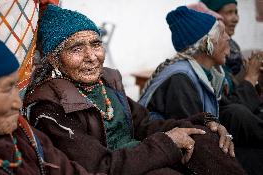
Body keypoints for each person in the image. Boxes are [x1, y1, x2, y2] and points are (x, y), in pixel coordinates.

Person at [23, 5, 246, 175]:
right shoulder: (49, 109)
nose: (92, 57)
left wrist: (201, 124)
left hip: (139, 156)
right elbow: (100, 166)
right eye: (76, 48)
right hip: (119, 167)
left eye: (96, 44)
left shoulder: (106, 84)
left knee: (206, 139)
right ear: (54, 59)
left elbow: (144, 124)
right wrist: (168, 142)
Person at [139, 2, 263, 174]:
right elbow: (195, 140)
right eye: (221, 34)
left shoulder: (203, 73)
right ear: (207, 44)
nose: (228, 38)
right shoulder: (180, 79)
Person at [0, 31, 102, 175]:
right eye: (6, 90)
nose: (18, 103)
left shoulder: (25, 134)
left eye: (15, 87)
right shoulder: (48, 108)